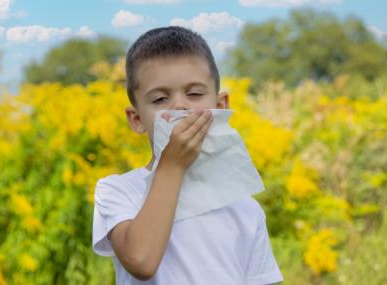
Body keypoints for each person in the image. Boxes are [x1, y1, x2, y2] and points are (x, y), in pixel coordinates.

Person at [92, 26, 283, 285]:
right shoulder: (118, 191)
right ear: (136, 119)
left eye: (194, 94)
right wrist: (172, 166)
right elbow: (141, 261)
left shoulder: (244, 207)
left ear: (220, 107)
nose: (180, 106)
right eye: (160, 99)